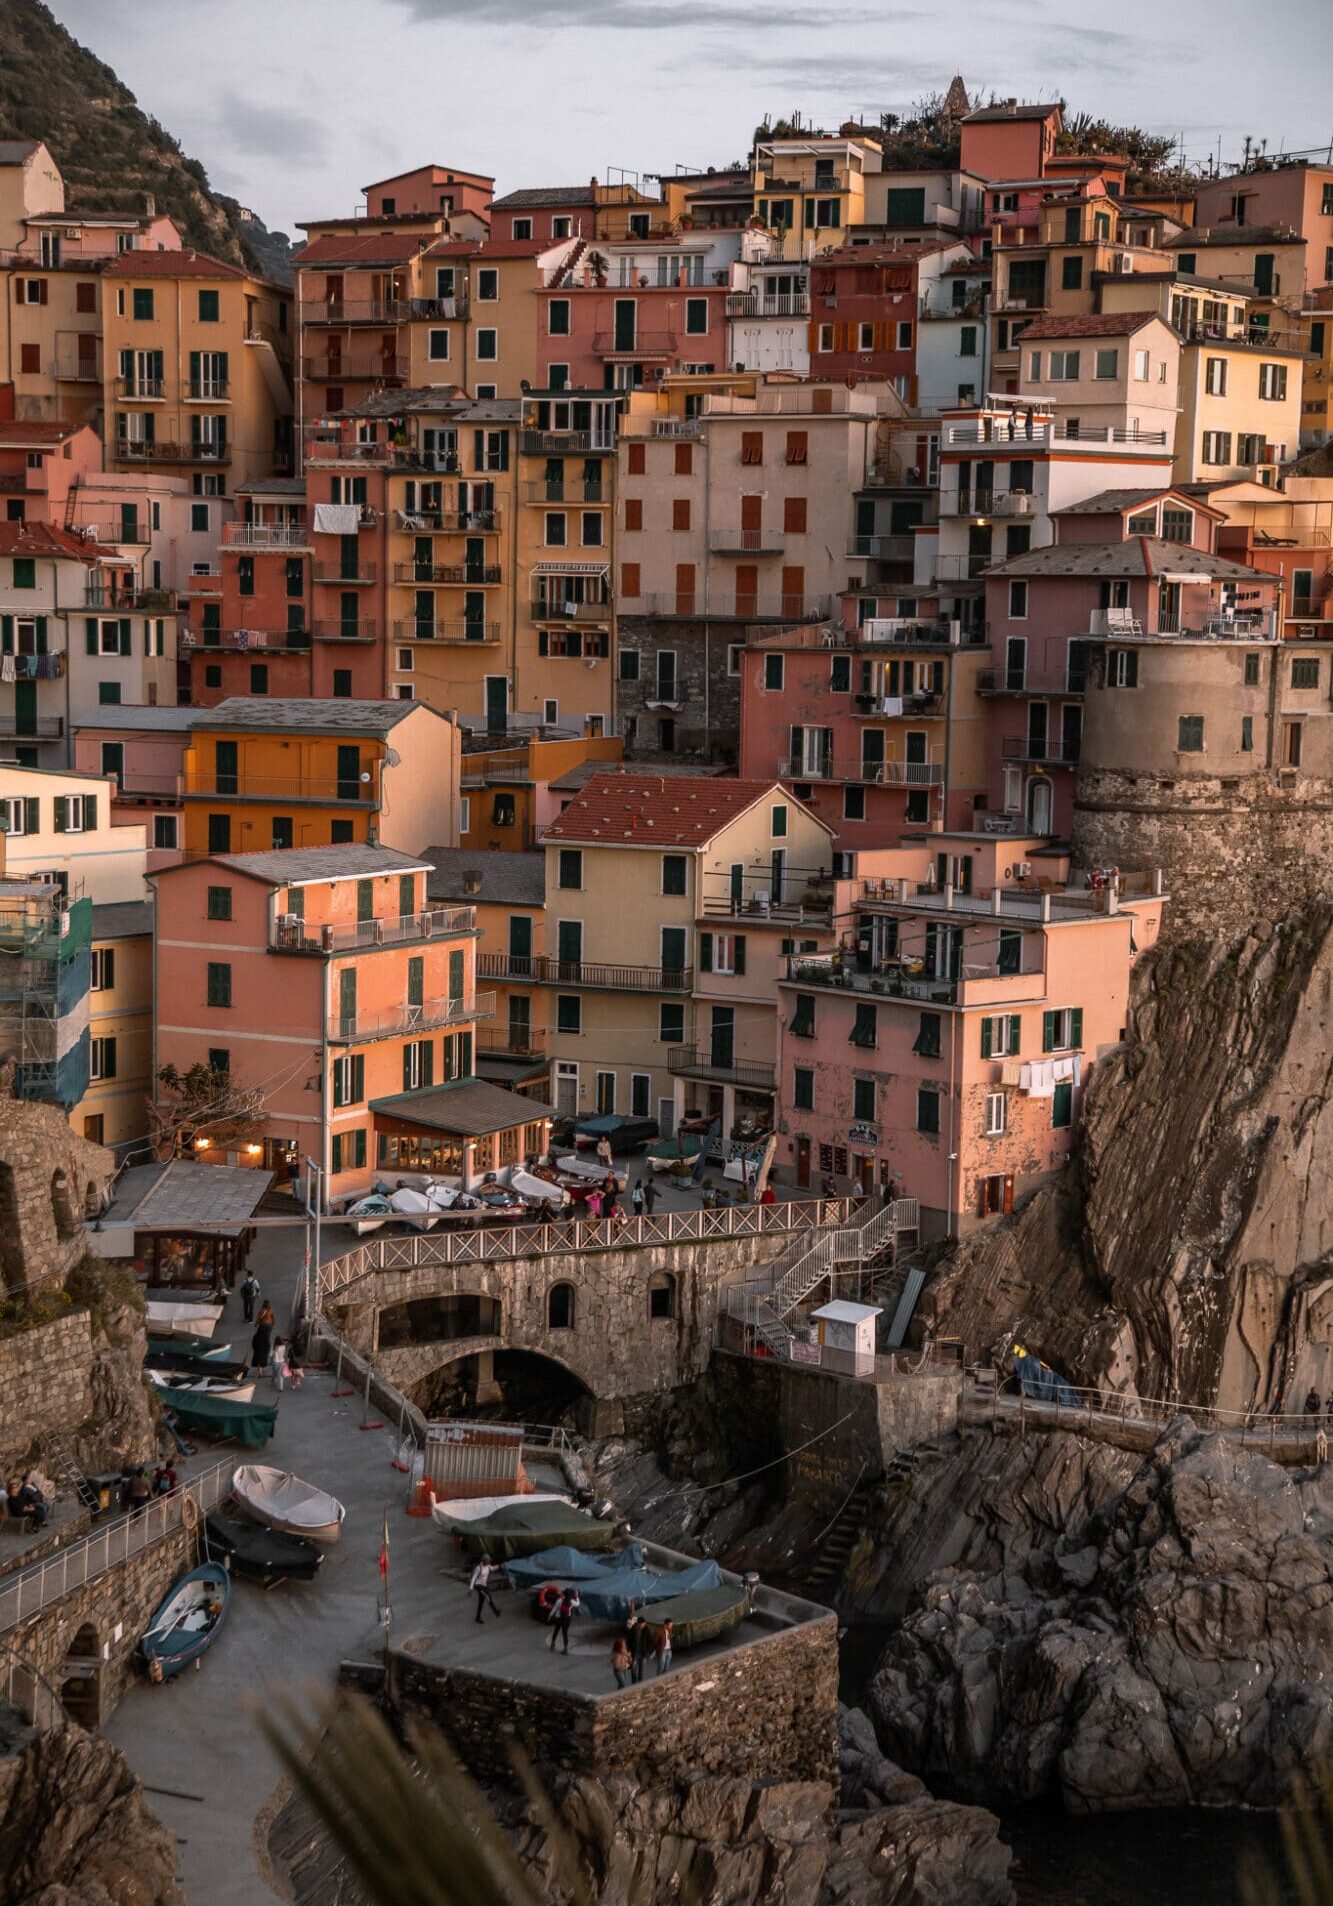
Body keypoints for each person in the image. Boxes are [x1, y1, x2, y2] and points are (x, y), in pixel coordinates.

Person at [547, 1586, 581, 1654]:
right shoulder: (571, 1601)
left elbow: (554, 1609)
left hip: (559, 1617)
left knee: (556, 1630)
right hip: (567, 1618)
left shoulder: (560, 1600)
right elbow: (578, 1604)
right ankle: (565, 1649)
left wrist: (550, 1616)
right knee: (565, 1633)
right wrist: (577, 1596)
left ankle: (553, 1644)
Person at [469, 1559, 501, 1623]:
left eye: (489, 1561)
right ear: (484, 1561)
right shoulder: (479, 1568)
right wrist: (471, 1587)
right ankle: (496, 1611)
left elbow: (492, 1568)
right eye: (487, 1561)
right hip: (479, 1586)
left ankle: (477, 1617)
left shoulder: (488, 1565)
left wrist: (499, 1566)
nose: (489, 1562)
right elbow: (474, 1577)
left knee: (481, 1602)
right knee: (488, 1597)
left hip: (484, 1585)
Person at [251, 1301, 276, 1375]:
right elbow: (274, 1318)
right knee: (266, 1338)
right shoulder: (271, 1310)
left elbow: (259, 1318)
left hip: (262, 1325)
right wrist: (272, 1325)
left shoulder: (262, 1310)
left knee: (261, 1337)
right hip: (269, 1326)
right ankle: (265, 1340)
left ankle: (259, 1368)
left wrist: (256, 1324)